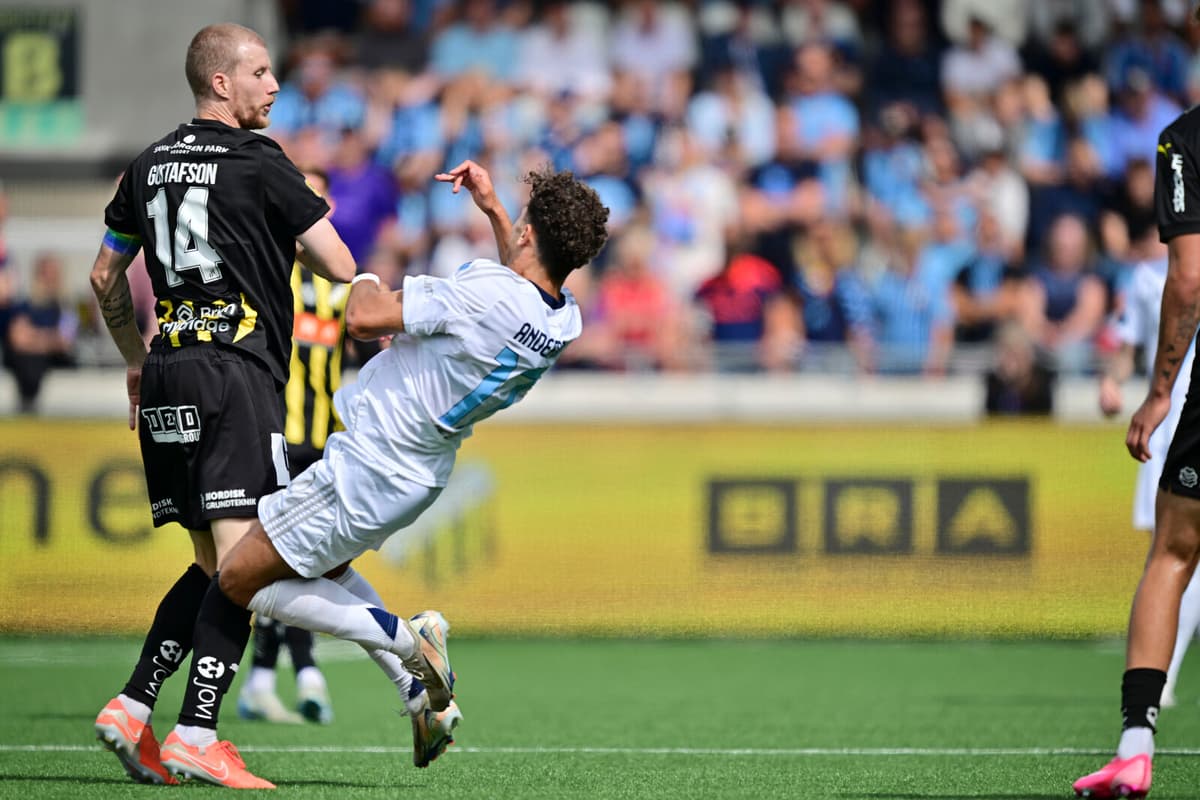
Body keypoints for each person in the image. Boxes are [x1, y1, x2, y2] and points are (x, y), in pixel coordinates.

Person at [155, 159, 608, 788]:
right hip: (416, 474)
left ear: (532, 237)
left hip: (369, 462)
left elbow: (364, 318)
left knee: (236, 577)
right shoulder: (563, 316)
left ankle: (407, 642)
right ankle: (419, 694)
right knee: (329, 571)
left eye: (522, 222)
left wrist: (358, 268)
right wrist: (498, 210)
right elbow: (522, 281)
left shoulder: (486, 291)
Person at [88, 23, 356, 788]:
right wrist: (291, 230)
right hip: (236, 372)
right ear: (220, 83)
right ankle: (197, 730)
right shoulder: (258, 160)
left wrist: (136, 366)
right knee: (246, 567)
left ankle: (134, 707)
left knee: (212, 563)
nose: (275, 86)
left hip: (169, 368)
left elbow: (104, 280)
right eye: (262, 73)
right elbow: (338, 264)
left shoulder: (145, 165)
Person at [1073, 73, 1200, 798]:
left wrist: (1158, 394)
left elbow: (1188, 279)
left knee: (1174, 552)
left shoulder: (1184, 139)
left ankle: (1135, 744)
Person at [237, 168, 343, 726]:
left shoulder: (341, 285)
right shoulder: (264, 275)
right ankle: (306, 674)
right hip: (274, 437)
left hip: (324, 441)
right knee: (289, 561)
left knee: (299, 562)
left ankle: (259, 680)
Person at [1098, 232, 1200, 712]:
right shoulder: (1146, 280)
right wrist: (1112, 382)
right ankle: (1160, 675)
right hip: (1167, 430)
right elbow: (1126, 339)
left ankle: (1159, 678)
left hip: (1189, 422)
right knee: (1170, 552)